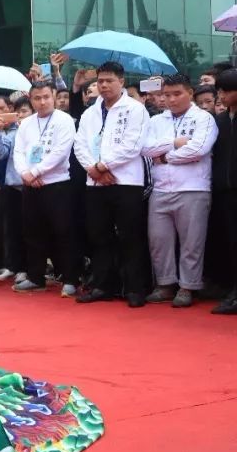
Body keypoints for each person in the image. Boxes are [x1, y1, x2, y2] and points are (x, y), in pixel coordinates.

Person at [73, 61, 151, 308]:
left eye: (109, 81)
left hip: (126, 181)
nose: (104, 85)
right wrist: (93, 170)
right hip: (94, 183)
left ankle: (136, 289)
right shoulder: (89, 112)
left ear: (121, 82)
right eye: (100, 81)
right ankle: (102, 286)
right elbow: (79, 145)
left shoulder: (135, 110)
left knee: (131, 236)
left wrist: (103, 166)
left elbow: (133, 145)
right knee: (99, 236)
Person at [140, 74, 218, 308]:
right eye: (167, 95)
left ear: (190, 93)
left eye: (177, 94)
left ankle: (187, 286)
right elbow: (144, 148)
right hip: (161, 188)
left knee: (191, 241)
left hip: (193, 187)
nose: (171, 100)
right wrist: (174, 144)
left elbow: (198, 149)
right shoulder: (156, 121)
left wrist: (163, 157)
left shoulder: (203, 118)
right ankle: (165, 284)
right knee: (158, 240)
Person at [12, 82, 80, 295]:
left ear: (53, 96)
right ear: (31, 100)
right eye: (37, 98)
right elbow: (19, 152)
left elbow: (61, 152)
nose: (42, 102)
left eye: (46, 97)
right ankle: (36, 277)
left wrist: (37, 171)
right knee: (32, 233)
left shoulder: (64, 120)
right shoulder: (26, 124)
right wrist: (26, 174)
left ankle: (70, 278)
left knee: (64, 232)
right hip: (31, 185)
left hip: (57, 184)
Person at [0, 96, 32, 283]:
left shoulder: (28, 128)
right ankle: (13, 266)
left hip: (32, 184)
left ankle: (28, 268)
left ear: (10, 108)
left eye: (2, 108)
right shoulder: (2, 132)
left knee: (29, 230)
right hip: (11, 185)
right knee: (11, 229)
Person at [210, 69, 237, 314]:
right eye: (220, 90)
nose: (222, 95)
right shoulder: (217, 121)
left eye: (227, 90)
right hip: (223, 191)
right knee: (229, 242)